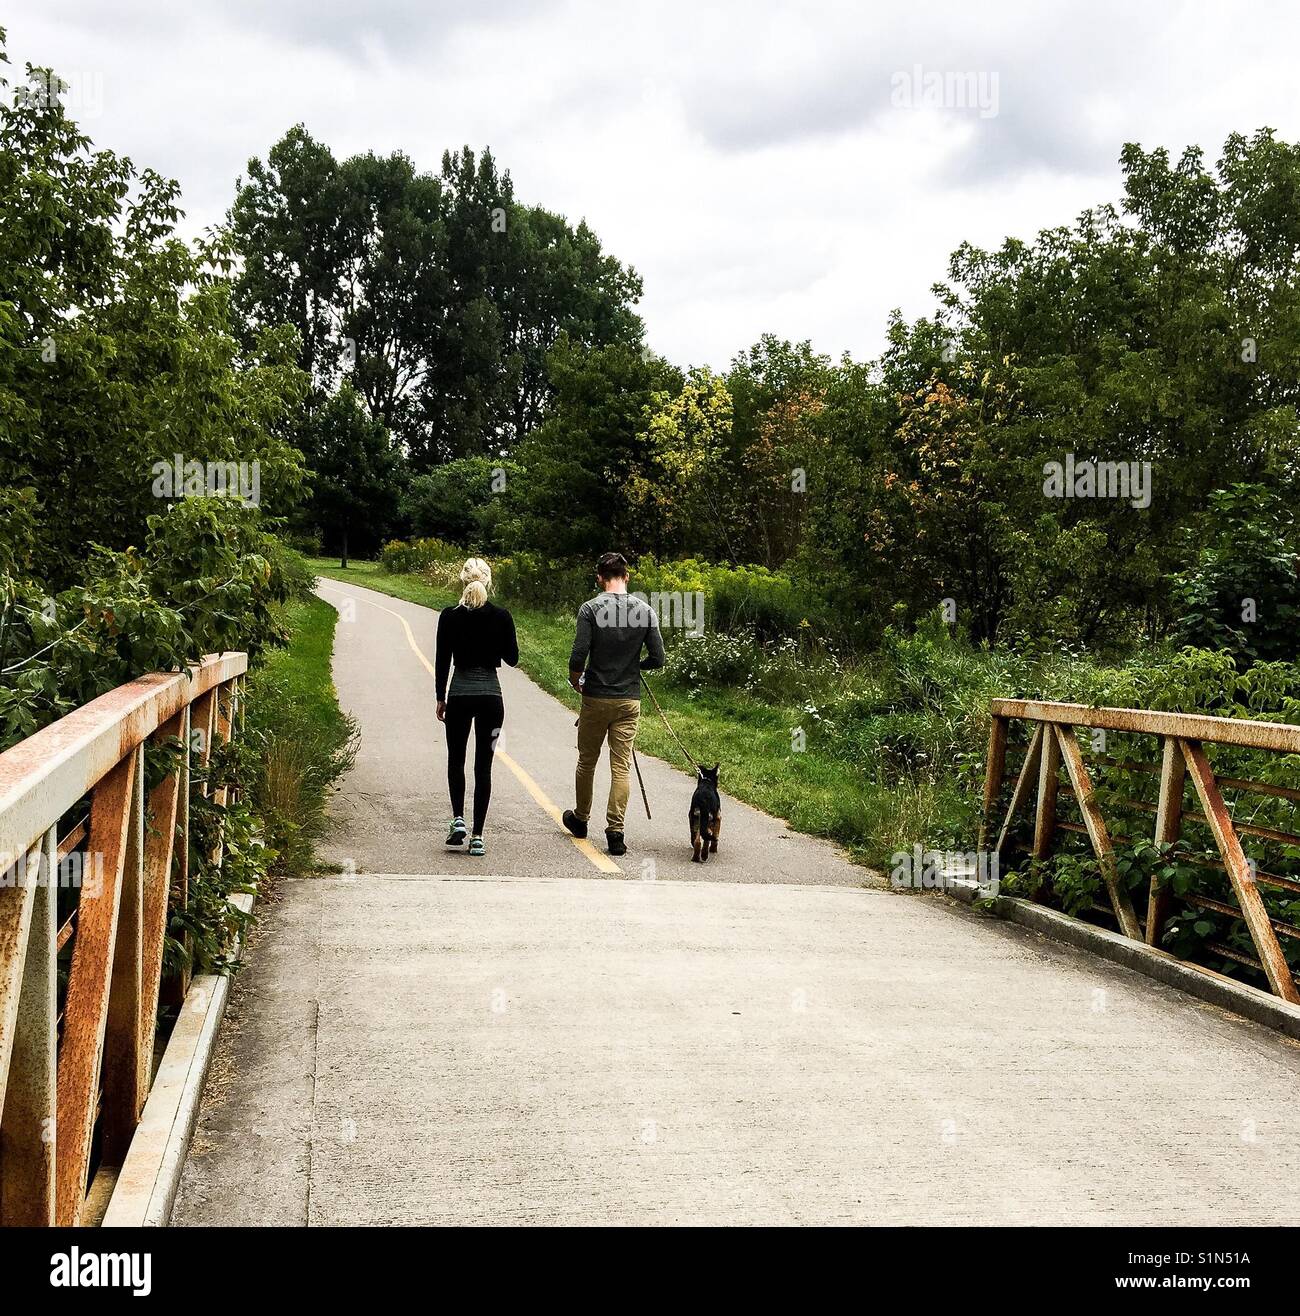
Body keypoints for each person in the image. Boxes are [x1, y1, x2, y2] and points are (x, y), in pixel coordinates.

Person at [562, 552, 664, 855]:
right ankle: (615, 831)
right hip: (628, 700)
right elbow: (658, 658)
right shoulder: (645, 611)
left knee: (587, 761)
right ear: (627, 577)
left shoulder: (590, 609)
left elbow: (578, 655)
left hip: (595, 696)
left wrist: (575, 680)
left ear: (599, 578)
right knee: (621, 765)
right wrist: (635, 665)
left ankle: (581, 819)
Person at [435, 559, 518, 856]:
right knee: (484, 766)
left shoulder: (448, 616)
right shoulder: (501, 616)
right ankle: (478, 836)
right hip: (491, 699)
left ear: (462, 581)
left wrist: (440, 697)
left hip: (459, 694)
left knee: (456, 759)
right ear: (489, 581)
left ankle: (458, 819)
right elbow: (513, 659)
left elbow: (442, 659)